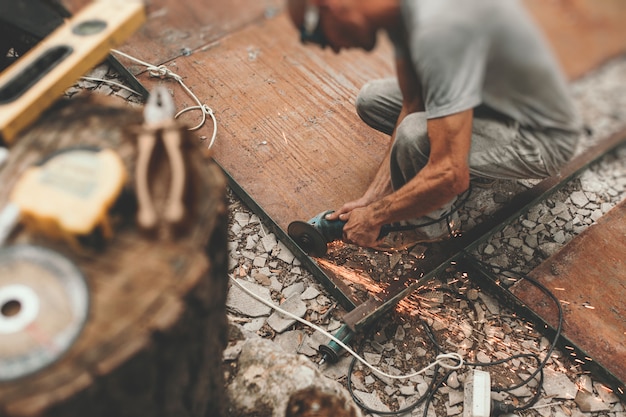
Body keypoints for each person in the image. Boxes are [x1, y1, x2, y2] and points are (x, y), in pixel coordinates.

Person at [287, 0, 581, 250]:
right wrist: (371, 198)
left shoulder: (438, 29)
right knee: (372, 99)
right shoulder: (399, 14)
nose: (335, 50)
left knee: (415, 135)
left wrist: (375, 217)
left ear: (328, 6)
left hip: (539, 137)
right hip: (487, 100)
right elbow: (413, 101)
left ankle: (430, 224)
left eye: (321, 39)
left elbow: (450, 174)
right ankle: (478, 163)